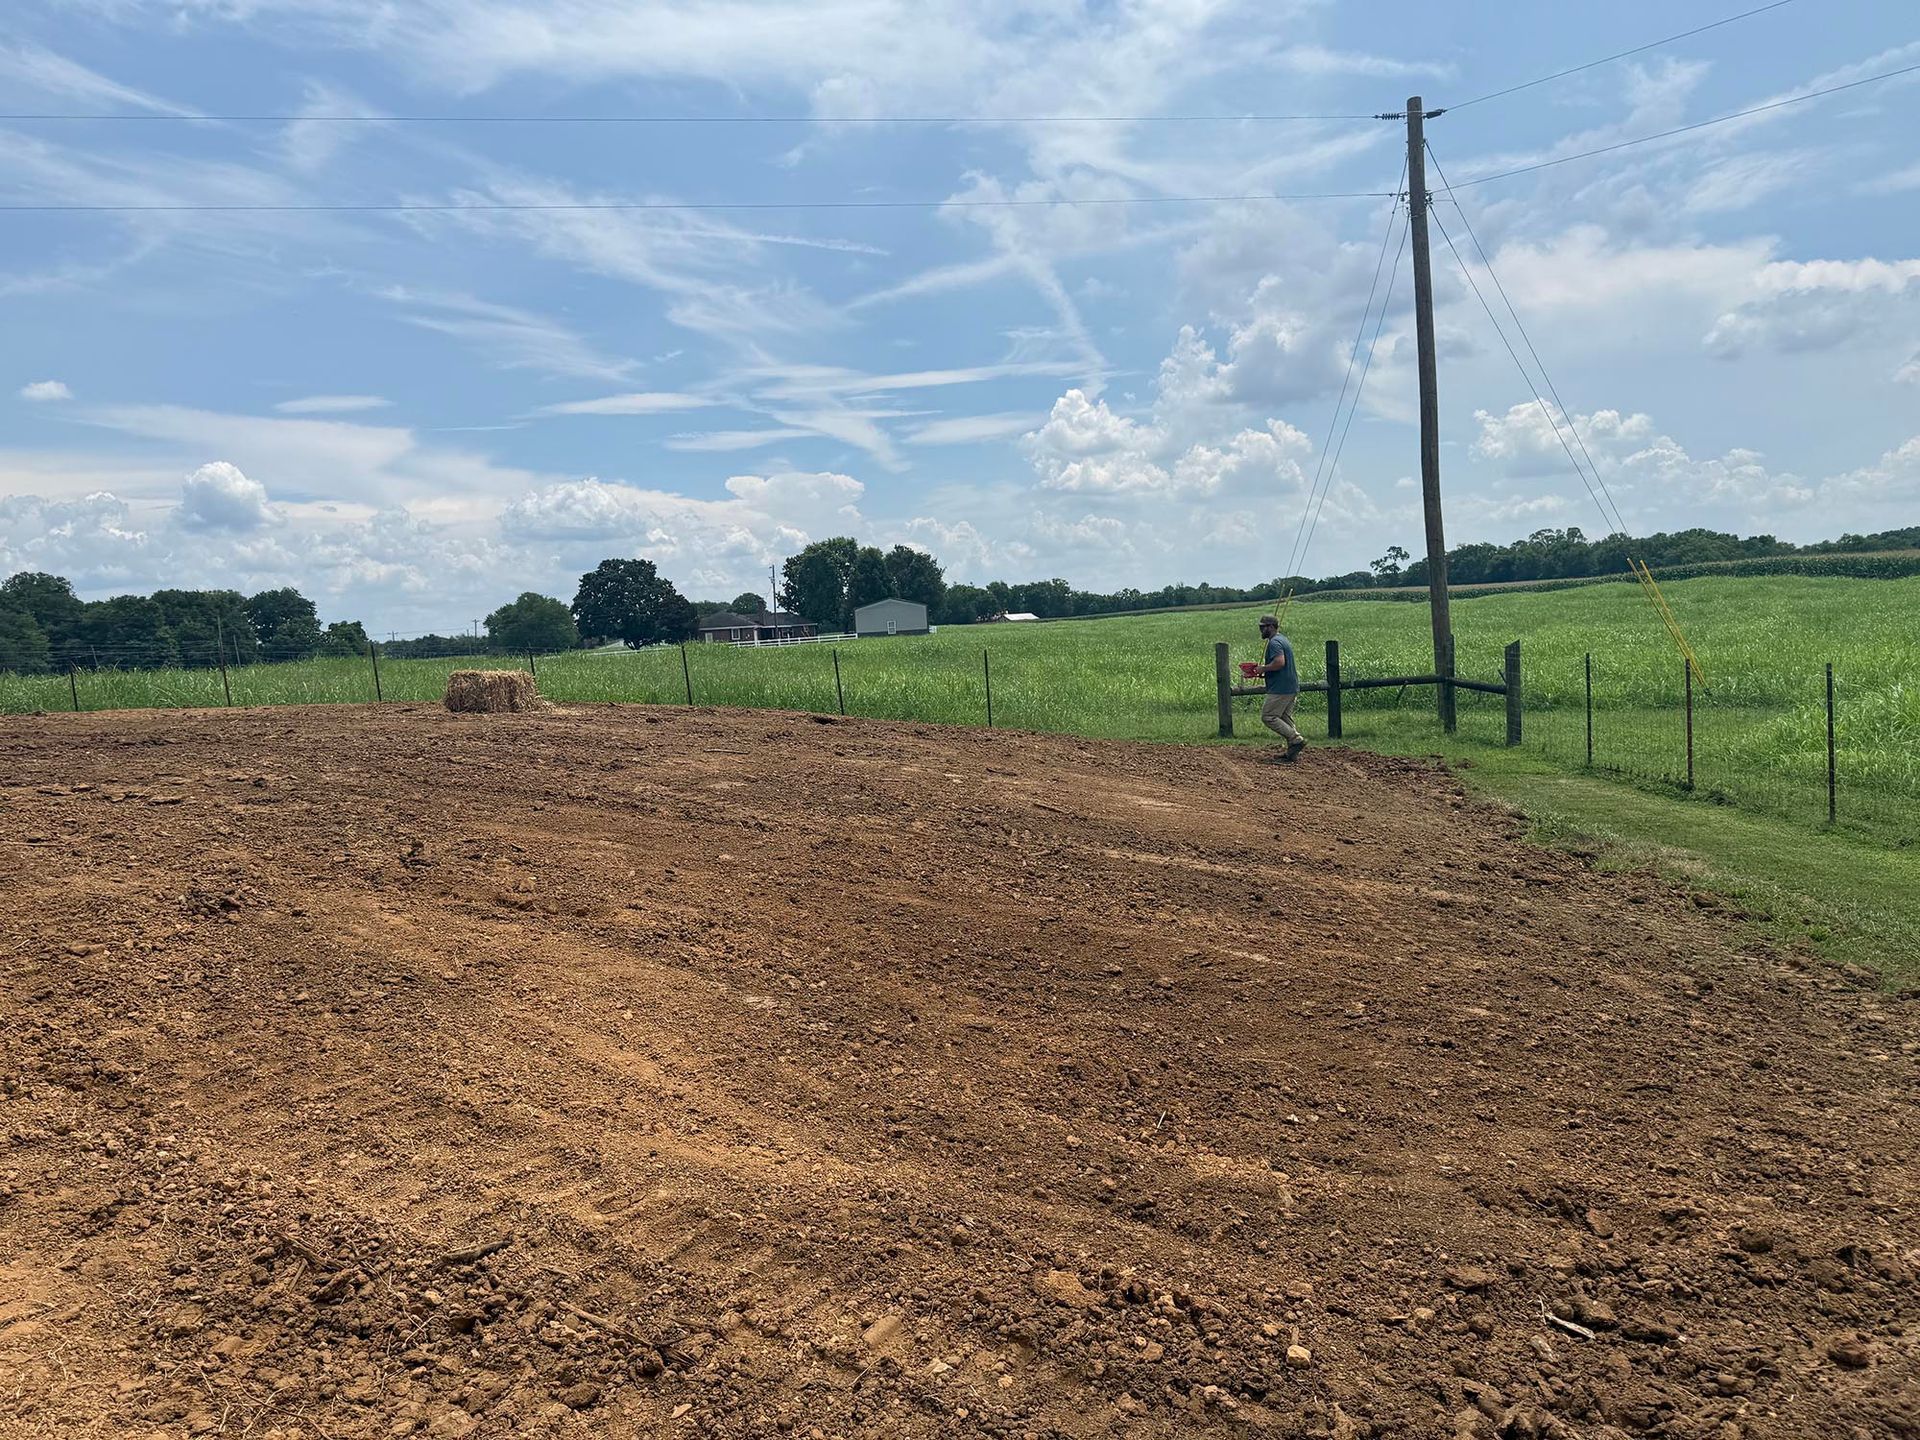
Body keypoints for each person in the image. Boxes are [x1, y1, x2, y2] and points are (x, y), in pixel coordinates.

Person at [1254, 614, 1306, 761]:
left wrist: (1263, 669)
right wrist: (1266, 672)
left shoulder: (1274, 643)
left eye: (1262, 627)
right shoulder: (1282, 639)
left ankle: (1296, 739)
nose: (1260, 630)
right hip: (1290, 686)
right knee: (1284, 718)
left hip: (1281, 688)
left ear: (1270, 627)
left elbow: (1279, 663)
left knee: (1268, 716)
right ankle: (1292, 754)